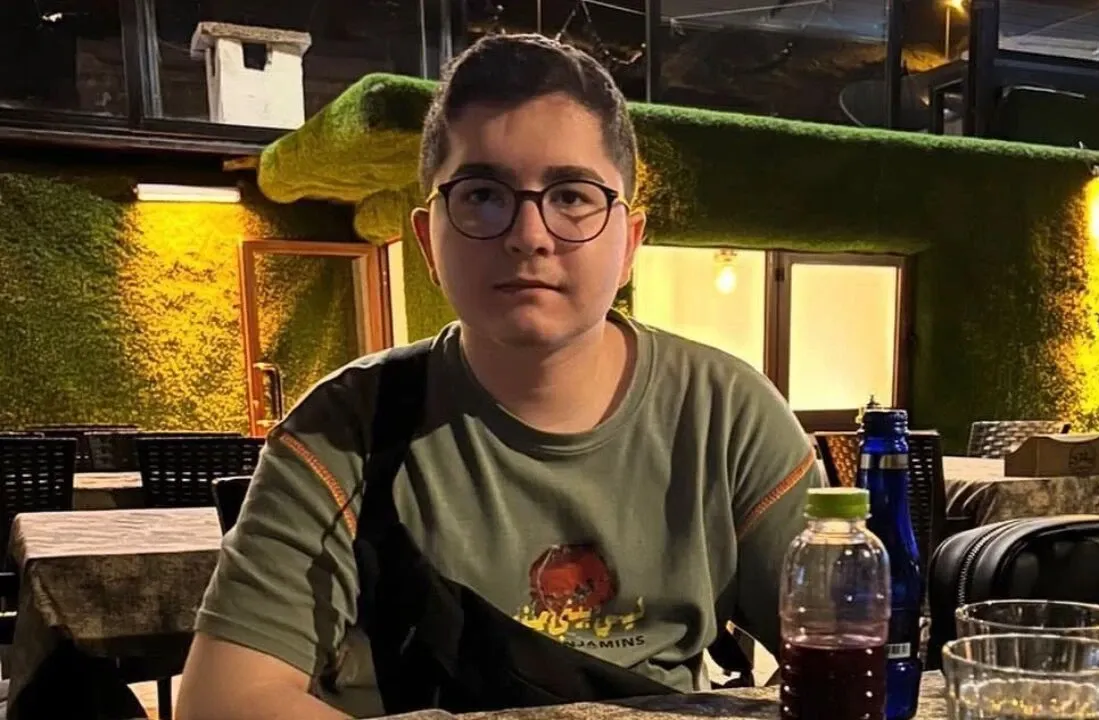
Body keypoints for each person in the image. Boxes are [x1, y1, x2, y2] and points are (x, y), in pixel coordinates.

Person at [176, 33, 821, 720]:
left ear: (629, 242)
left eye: (572, 196)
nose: (529, 235)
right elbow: (223, 701)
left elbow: (850, 650)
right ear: (428, 240)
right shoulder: (342, 430)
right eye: (483, 194)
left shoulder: (728, 414)